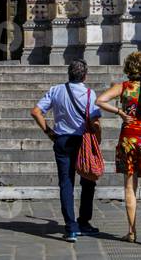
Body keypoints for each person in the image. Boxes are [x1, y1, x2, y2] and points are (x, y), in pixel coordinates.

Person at [97, 44, 141, 247]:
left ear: (128, 68)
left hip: (129, 137)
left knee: (130, 185)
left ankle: (132, 231)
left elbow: (100, 100)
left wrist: (120, 112)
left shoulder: (124, 87)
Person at [31, 60, 102, 242]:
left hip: (62, 139)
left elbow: (36, 112)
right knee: (88, 181)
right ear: (84, 76)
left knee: (66, 183)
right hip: (83, 141)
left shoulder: (56, 90)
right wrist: (97, 141)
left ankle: (71, 228)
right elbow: (95, 123)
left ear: (68, 74)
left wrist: (49, 132)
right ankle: (84, 222)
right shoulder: (89, 94)